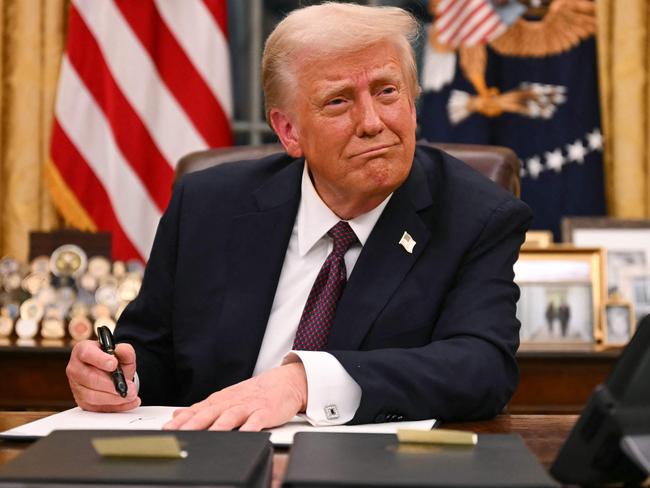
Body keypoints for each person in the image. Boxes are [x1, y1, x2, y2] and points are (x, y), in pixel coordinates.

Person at [65, 2, 532, 431]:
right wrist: (117, 378)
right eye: (339, 101)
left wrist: (304, 382)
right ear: (289, 131)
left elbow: (483, 367)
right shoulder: (208, 205)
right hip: (211, 465)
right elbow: (149, 351)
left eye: (387, 91)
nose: (372, 121)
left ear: (412, 104)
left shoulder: (476, 216)